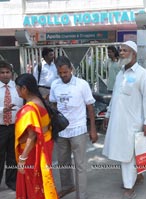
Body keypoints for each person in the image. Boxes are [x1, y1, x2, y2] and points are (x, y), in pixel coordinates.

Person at [102, 41, 146, 199]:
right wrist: (107, 114)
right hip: (118, 121)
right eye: (121, 50)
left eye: (125, 50)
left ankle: (129, 186)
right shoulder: (121, 73)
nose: (121, 53)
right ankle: (136, 177)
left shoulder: (142, 74)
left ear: (134, 54)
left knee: (128, 154)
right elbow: (115, 97)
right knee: (124, 151)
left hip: (134, 121)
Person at [49, 56, 98, 199]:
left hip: (78, 129)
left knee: (80, 164)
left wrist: (92, 129)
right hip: (61, 131)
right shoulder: (55, 85)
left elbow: (90, 107)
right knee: (63, 162)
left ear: (71, 69)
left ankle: (81, 195)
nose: (64, 75)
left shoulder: (82, 84)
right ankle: (67, 186)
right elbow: (53, 104)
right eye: (60, 73)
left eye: (66, 72)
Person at [14, 73, 58, 198]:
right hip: (44, 143)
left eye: (17, 88)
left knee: (34, 182)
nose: (16, 90)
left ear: (24, 88)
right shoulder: (39, 101)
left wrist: (22, 159)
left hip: (32, 150)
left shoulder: (30, 108)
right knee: (39, 180)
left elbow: (32, 136)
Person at [0, 60, 23, 191]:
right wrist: (3, 110)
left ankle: (11, 181)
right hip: (1, 127)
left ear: (11, 73)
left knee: (13, 156)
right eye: (2, 72)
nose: (5, 75)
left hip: (15, 127)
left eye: (7, 72)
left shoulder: (17, 87)